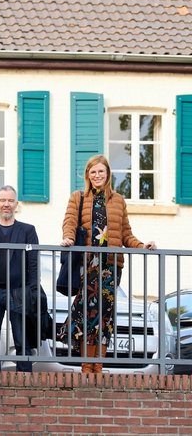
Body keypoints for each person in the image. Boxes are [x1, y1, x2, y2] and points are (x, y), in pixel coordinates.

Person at [57, 154, 156, 374]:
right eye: (93, 172)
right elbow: (70, 222)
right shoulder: (78, 197)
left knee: (105, 318)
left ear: (108, 174)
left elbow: (125, 234)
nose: (97, 175)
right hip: (88, 265)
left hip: (111, 267)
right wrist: (68, 238)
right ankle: (86, 367)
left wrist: (141, 246)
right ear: (88, 175)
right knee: (86, 316)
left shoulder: (118, 200)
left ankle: (98, 366)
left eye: (101, 171)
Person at [0, 185, 39, 372]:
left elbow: (33, 265)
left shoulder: (28, 230)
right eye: (3, 200)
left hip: (19, 293)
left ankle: (24, 381)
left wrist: (32, 292)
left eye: (10, 201)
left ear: (16, 204)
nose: (6, 204)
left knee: (22, 342)